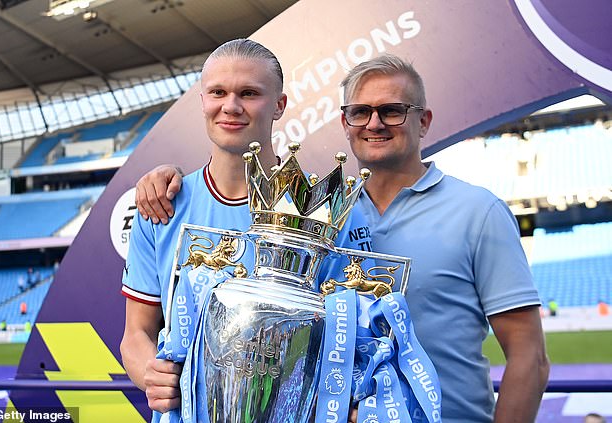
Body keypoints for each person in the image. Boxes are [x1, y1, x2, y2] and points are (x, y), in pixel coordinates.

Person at [137, 53, 550, 422]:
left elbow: (529, 356)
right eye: (360, 112)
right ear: (345, 123)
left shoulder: (478, 212)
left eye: (392, 110)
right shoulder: (321, 214)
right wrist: (164, 177)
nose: (374, 123)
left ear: (423, 121)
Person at [120, 38, 371, 422]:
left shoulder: (326, 213)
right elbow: (136, 333)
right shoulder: (161, 206)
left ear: (279, 105)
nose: (231, 106)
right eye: (218, 92)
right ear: (202, 101)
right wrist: (149, 374)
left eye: (249, 93)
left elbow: (354, 337)